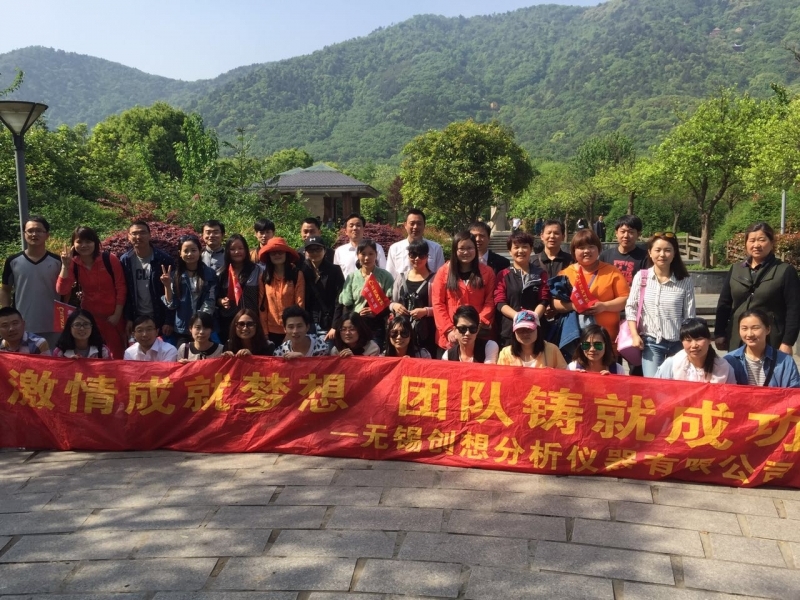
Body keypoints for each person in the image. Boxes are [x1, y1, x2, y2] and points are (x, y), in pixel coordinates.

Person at [715, 222, 800, 355]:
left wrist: (787, 342)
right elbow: (724, 303)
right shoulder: (736, 269)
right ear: (746, 244)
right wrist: (719, 332)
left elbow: (794, 309)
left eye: (762, 240)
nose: (756, 245)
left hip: (771, 339)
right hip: (738, 337)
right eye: (752, 240)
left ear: (772, 243)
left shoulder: (785, 271)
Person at [625, 232, 696, 377]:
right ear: (650, 253)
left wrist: (688, 342)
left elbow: (689, 316)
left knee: (677, 384)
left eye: (667, 250)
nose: (662, 254)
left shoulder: (685, 281)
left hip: (678, 343)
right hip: (651, 343)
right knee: (653, 384)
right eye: (657, 250)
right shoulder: (642, 277)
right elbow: (631, 307)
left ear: (674, 253)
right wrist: (634, 335)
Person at [56, 226, 127, 358]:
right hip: (89, 319)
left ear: (95, 242)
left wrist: (117, 314)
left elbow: (121, 287)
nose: (84, 245)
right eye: (79, 242)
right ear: (73, 244)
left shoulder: (109, 259)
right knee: (92, 355)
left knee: (117, 355)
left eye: (88, 241)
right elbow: (62, 290)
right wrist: (65, 266)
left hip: (113, 318)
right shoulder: (73, 263)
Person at [554, 229, 630, 347]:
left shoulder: (611, 271)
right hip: (576, 339)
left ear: (598, 249)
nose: (586, 251)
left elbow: (626, 299)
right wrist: (573, 306)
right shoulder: (566, 274)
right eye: (581, 247)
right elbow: (555, 303)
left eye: (591, 246)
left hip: (607, 340)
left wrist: (604, 306)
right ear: (574, 251)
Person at [0, 216, 62, 348]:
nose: (34, 234)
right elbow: (5, 290)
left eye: (39, 230)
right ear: (24, 234)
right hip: (22, 326)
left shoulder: (58, 261)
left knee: (52, 359)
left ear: (47, 235)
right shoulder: (13, 261)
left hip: (53, 325)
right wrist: (7, 315)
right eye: (30, 231)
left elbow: (65, 291)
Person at [431, 231, 496, 352]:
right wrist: (449, 330)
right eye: (461, 248)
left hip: (477, 334)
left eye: (470, 248)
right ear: (455, 250)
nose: (466, 252)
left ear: (475, 249)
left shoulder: (487, 272)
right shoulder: (443, 272)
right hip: (450, 337)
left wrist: (476, 325)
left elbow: (490, 301)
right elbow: (438, 303)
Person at [161, 234, 218, 348]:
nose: (189, 254)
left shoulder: (210, 274)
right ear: (180, 253)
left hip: (204, 328)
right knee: (183, 355)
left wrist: (198, 324)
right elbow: (172, 305)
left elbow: (210, 301)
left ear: (200, 251)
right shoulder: (175, 276)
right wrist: (167, 286)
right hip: (182, 329)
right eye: (186, 251)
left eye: (193, 250)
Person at [120, 220, 175, 340]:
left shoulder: (163, 259)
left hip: (159, 317)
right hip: (137, 318)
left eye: (142, 233)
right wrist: (128, 318)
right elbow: (125, 292)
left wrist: (169, 320)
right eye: (134, 233)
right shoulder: (125, 260)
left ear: (150, 235)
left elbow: (172, 291)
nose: (138, 237)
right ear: (128, 236)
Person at [494, 231, 550, 348]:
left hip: (535, 329)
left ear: (531, 249)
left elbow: (544, 299)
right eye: (516, 247)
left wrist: (531, 318)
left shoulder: (541, 273)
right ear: (510, 251)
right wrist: (519, 318)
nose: (520, 250)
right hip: (509, 330)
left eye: (525, 247)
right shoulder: (503, 274)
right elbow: (499, 301)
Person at [338, 238, 394, 351]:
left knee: (374, 353)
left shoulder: (385, 276)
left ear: (376, 255)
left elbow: (391, 302)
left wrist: (375, 312)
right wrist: (356, 315)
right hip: (356, 327)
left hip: (377, 326)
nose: (367, 258)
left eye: (371, 254)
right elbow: (346, 304)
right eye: (363, 254)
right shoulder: (352, 277)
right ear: (358, 255)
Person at [724, 309, 800, 388]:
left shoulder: (785, 362)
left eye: (755, 328)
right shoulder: (729, 361)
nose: (749, 334)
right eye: (744, 328)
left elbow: (793, 392)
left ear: (768, 329)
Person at [390, 239, 437, 358]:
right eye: (413, 255)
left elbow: (441, 307)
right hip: (402, 333)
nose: (417, 259)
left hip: (425, 332)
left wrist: (425, 311)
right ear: (408, 256)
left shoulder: (435, 279)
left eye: (421, 255)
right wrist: (395, 306)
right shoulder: (401, 278)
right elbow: (391, 302)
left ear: (427, 256)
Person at [655, 318, 736, 383]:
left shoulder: (724, 368)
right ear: (682, 342)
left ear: (709, 340)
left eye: (699, 339)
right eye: (688, 340)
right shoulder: (672, 365)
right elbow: (656, 391)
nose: (694, 345)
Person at [257, 237, 305, 346]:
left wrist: (291, 331)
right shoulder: (264, 277)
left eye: (280, 252)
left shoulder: (296, 274)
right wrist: (264, 332)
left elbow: (300, 304)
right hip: (270, 330)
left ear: (286, 254)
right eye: (273, 253)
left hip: (292, 330)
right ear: (269, 256)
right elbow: (262, 306)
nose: (277, 255)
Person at [216, 234, 262, 346]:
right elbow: (215, 298)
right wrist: (221, 301)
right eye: (232, 249)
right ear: (227, 251)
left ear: (246, 249)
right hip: (228, 321)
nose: (237, 252)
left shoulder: (257, 270)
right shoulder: (221, 273)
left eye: (240, 248)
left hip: (251, 321)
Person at [301, 235, 344, 341]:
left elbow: (339, 299)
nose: (315, 253)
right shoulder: (301, 270)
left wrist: (335, 326)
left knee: (326, 350)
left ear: (325, 250)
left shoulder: (334, 270)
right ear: (305, 252)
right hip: (307, 323)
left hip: (327, 324)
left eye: (318, 249)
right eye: (311, 250)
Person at [386, 209, 445, 279]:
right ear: (405, 225)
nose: (415, 227)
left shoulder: (436, 248)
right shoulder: (395, 249)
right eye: (412, 223)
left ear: (424, 225)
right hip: (401, 285)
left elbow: (441, 276)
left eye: (419, 224)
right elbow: (390, 276)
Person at [497, 310, 565, 368]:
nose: (525, 334)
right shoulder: (505, 353)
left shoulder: (552, 350)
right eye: (520, 330)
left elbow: (564, 375)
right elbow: (500, 377)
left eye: (529, 329)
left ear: (538, 330)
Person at [599, 215, 648, 287]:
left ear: (638, 234)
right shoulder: (605, 256)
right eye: (622, 231)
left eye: (631, 232)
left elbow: (645, 284)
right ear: (616, 233)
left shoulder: (645, 257)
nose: (626, 236)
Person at [333, 213, 387, 278]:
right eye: (351, 226)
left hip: (371, 284)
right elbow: (336, 275)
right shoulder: (339, 251)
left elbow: (384, 271)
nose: (355, 228)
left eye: (358, 225)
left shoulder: (376, 248)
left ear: (363, 229)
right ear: (346, 231)